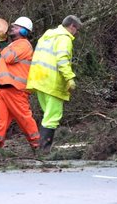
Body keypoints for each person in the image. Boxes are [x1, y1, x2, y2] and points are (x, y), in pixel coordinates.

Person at [25, 15, 82, 152]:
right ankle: (44, 151)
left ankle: (41, 149)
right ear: (72, 26)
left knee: (48, 115)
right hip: (52, 82)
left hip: (39, 80)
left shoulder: (48, 35)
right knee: (52, 116)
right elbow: (62, 60)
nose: (76, 33)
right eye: (77, 29)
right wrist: (69, 78)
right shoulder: (64, 38)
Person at [0, 16, 40, 151]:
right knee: (0, 119)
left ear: (24, 32)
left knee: (24, 118)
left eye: (17, 27)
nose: (12, 28)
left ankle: (38, 145)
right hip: (4, 89)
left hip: (15, 88)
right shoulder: (11, 45)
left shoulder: (24, 44)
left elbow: (9, 58)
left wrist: (3, 41)